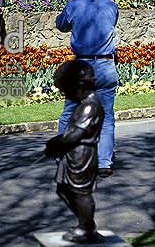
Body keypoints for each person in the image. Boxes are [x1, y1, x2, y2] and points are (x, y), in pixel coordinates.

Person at [55, 0, 119, 178]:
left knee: (69, 113)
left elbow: (61, 25)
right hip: (106, 64)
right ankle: (103, 162)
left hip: (82, 65)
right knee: (107, 116)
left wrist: (76, 0)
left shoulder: (75, 5)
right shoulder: (111, 6)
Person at [45, 60, 104, 243]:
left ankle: (86, 227)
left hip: (82, 156)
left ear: (79, 86)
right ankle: (84, 222)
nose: (66, 96)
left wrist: (57, 144)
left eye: (67, 91)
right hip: (72, 155)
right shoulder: (83, 104)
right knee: (64, 190)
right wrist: (57, 144)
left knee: (80, 192)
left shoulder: (90, 107)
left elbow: (75, 136)